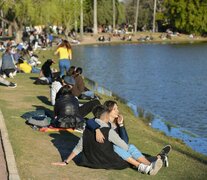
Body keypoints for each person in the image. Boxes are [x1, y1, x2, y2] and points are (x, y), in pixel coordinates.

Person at [52, 105, 163, 175]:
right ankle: (148, 166)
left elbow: (78, 148)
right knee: (128, 148)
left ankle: (151, 162)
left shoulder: (88, 129)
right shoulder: (107, 130)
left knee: (120, 148)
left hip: (90, 162)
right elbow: (125, 145)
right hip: (108, 162)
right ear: (105, 116)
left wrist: (66, 161)